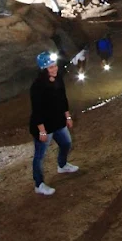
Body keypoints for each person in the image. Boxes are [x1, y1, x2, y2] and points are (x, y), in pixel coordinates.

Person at [29, 51, 78, 196]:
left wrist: (67, 116)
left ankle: (62, 165)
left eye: (55, 66)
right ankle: (39, 184)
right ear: (44, 69)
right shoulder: (37, 86)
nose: (54, 69)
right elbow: (37, 110)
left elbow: (63, 98)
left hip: (58, 121)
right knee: (40, 156)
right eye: (50, 67)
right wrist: (42, 131)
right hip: (44, 125)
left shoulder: (58, 79)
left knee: (66, 143)